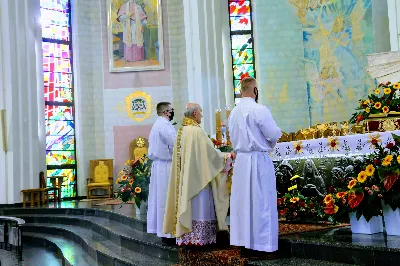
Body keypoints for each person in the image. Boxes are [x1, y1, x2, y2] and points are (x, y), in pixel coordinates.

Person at [163, 103, 232, 248]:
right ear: (194, 114)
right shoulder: (196, 132)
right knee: (200, 207)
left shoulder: (182, 131)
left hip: (186, 181)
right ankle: (201, 238)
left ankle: (189, 236)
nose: (202, 114)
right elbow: (211, 156)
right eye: (200, 112)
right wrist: (226, 156)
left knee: (189, 206)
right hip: (199, 181)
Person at [228, 77, 282, 259]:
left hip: (242, 163)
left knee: (243, 204)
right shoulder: (259, 109)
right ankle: (264, 246)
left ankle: (245, 245)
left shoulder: (233, 113)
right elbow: (273, 134)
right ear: (255, 90)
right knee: (262, 202)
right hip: (258, 160)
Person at [147, 102, 176, 245]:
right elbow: (176, 143)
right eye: (171, 110)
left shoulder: (157, 125)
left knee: (161, 199)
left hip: (160, 166)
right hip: (166, 166)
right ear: (166, 112)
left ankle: (164, 231)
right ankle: (168, 232)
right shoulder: (164, 126)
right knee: (166, 199)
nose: (172, 113)